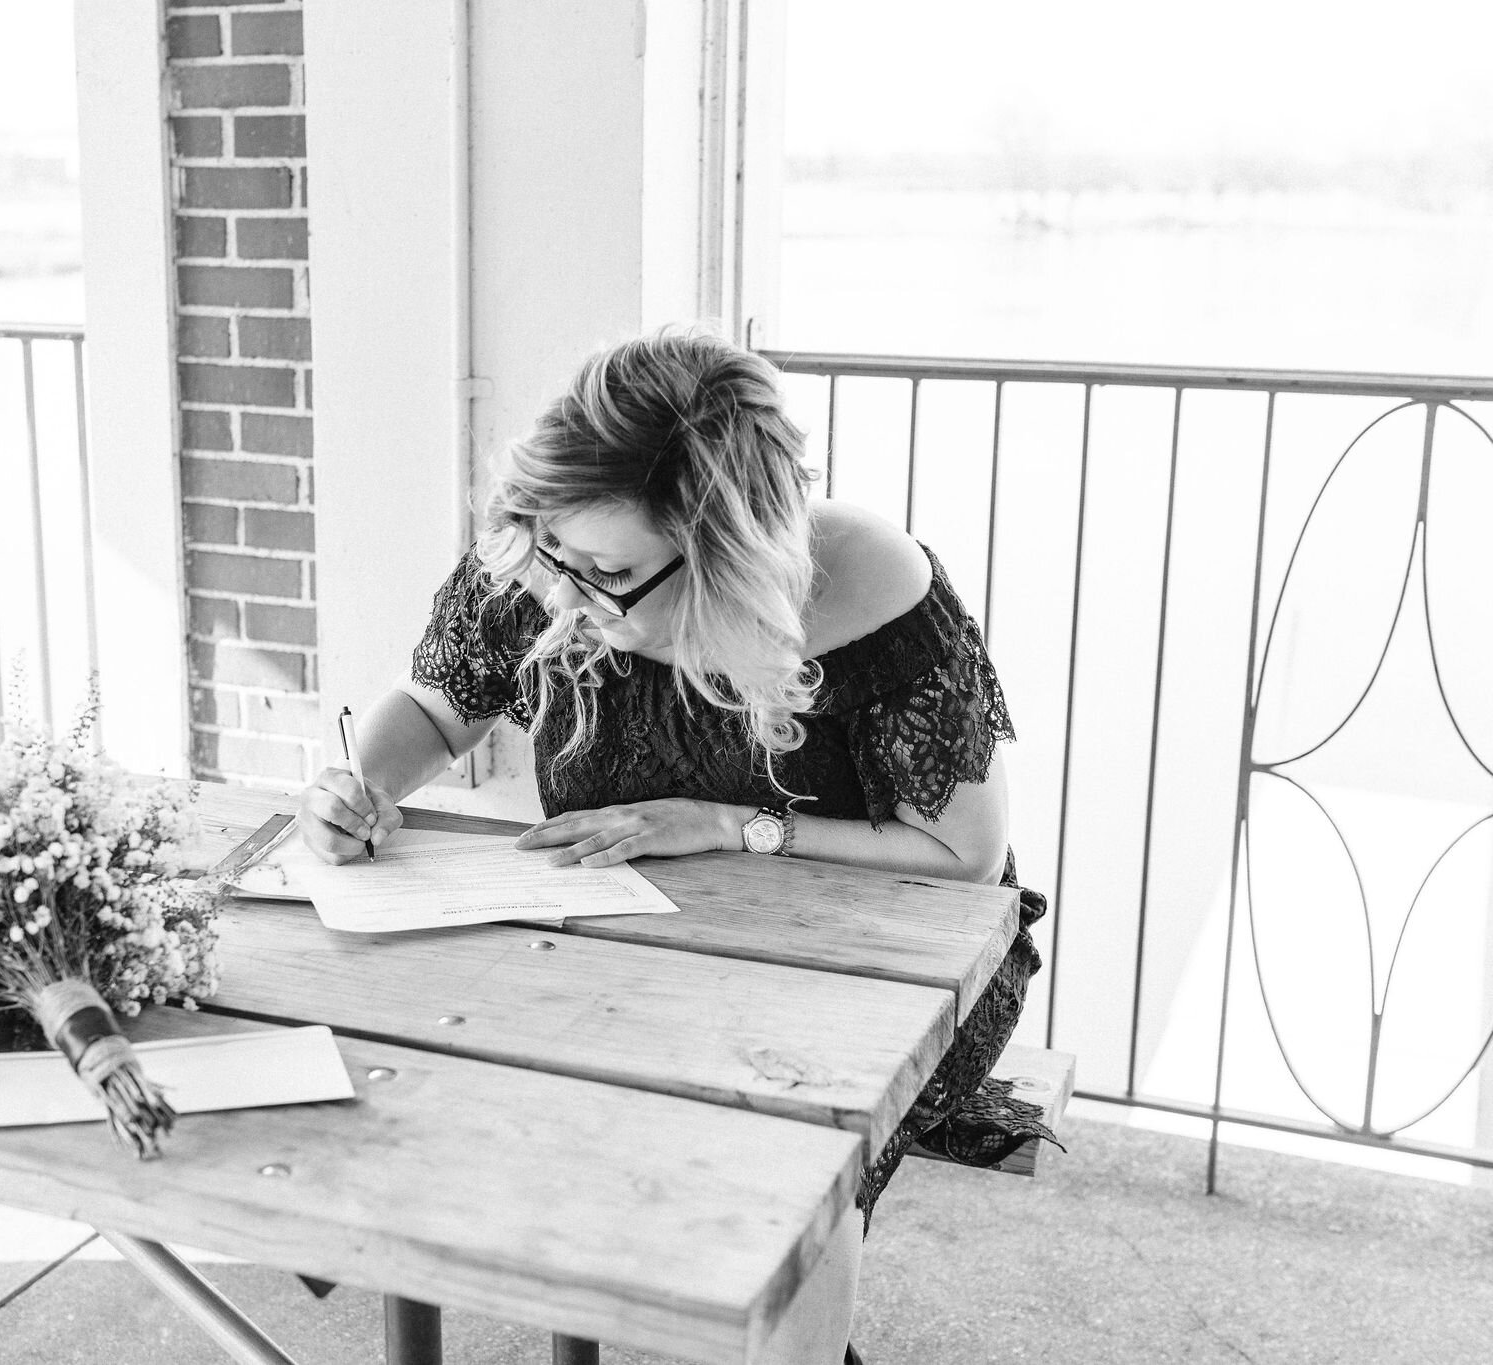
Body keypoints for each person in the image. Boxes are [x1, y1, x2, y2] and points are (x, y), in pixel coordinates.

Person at [296, 327, 1053, 1358]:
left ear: (722, 557)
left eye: (604, 572)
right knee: (432, 1092)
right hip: (627, 940)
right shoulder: (550, 550)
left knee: (784, 1187)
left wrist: (722, 827)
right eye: (552, 555)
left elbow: (957, 857)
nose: (562, 593)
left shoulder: (864, 579)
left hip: (877, 970)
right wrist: (358, 787)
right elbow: (433, 711)